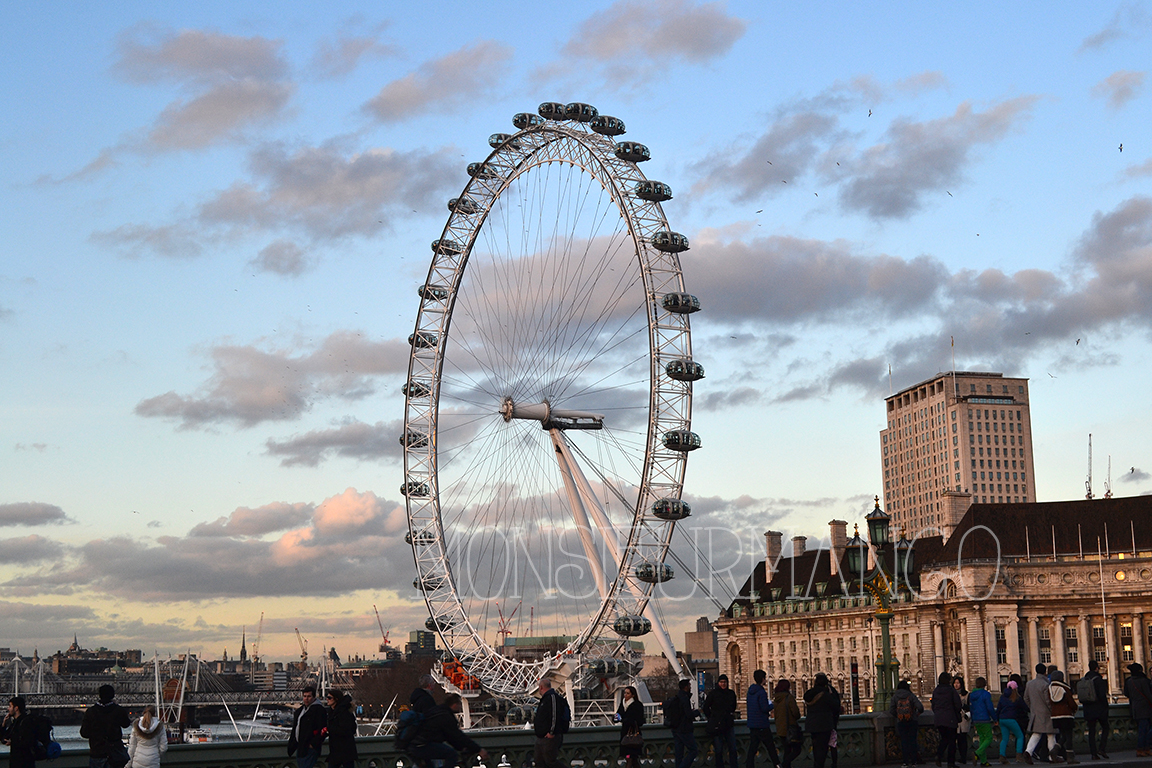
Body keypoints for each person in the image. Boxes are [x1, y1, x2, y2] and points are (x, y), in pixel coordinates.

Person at [408, 692, 489, 768]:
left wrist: (460, 747)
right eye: (459, 704)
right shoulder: (446, 716)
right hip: (421, 745)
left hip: (414, 744)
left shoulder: (438, 711)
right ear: (454, 705)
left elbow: (450, 737)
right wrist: (478, 749)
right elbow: (458, 736)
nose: (460, 706)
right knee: (452, 755)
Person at [80, 684, 131, 768]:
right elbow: (126, 724)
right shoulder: (118, 710)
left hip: (97, 752)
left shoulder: (91, 712)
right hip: (115, 753)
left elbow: (84, 733)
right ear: (113, 695)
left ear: (99, 695)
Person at [803, 673, 841, 768]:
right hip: (824, 725)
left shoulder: (809, 694)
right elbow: (836, 706)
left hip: (811, 724)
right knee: (823, 749)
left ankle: (816, 764)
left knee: (816, 747)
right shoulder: (825, 695)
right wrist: (831, 695)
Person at [743, 670, 779, 768]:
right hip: (762, 724)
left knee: (752, 748)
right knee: (771, 747)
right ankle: (777, 765)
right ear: (763, 679)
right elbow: (764, 708)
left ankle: (749, 766)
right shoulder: (761, 691)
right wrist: (773, 705)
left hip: (752, 724)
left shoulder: (750, 691)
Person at [1022, 664, 1056, 765]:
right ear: (1045, 671)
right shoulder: (1046, 684)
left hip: (1035, 713)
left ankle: (1028, 751)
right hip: (1047, 713)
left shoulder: (1029, 684)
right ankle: (1052, 756)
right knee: (1051, 735)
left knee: (1036, 734)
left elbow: (1026, 698)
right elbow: (1048, 701)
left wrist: (1032, 708)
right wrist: (1052, 710)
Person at [703, 674, 738, 768]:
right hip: (717, 725)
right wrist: (712, 717)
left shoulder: (731, 693)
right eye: (721, 682)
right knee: (718, 750)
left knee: (733, 749)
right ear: (718, 683)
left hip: (728, 724)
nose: (723, 684)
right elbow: (706, 707)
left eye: (725, 682)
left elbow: (733, 707)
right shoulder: (713, 694)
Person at [287, 686, 327, 768]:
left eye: (309, 696)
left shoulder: (319, 710)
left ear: (314, 697)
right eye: (304, 696)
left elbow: (323, 729)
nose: (306, 699)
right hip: (300, 746)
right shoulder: (300, 711)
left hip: (310, 747)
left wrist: (313, 744)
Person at [889, 680, 924, 768]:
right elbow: (920, 707)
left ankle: (905, 762)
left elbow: (891, 710)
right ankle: (914, 762)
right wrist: (915, 714)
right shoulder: (911, 695)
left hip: (901, 721)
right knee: (913, 741)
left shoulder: (895, 696)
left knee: (904, 741)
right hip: (912, 721)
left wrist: (898, 715)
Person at [931, 672, 963, 768]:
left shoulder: (936, 691)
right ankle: (950, 763)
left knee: (944, 738)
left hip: (939, 719)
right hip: (950, 719)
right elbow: (958, 705)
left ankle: (939, 755)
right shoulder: (951, 690)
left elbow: (933, 705)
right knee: (952, 741)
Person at [534, 679, 567, 768]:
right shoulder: (545, 699)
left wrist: (552, 732)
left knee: (550, 761)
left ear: (541, 687)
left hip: (549, 737)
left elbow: (554, 715)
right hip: (541, 736)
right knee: (539, 762)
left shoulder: (552, 698)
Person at [1080, 660, 1109, 760]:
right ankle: (1102, 748)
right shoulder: (1098, 679)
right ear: (1097, 668)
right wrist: (1106, 706)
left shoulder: (1084, 679)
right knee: (1105, 728)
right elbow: (1102, 696)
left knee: (1091, 732)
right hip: (1099, 708)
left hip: (1088, 709)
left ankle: (1093, 754)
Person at [1047, 670, 1077, 763]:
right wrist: (1074, 709)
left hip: (1055, 715)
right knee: (1068, 736)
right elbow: (1071, 702)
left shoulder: (1050, 688)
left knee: (1063, 735)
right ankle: (1070, 757)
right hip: (1066, 714)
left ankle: (1055, 750)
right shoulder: (1065, 688)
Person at [1123, 662, 1152, 757]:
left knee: (1142, 729)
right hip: (1145, 707)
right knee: (1144, 729)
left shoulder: (1128, 681)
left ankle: (1145, 748)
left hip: (1134, 707)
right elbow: (1148, 695)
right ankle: (1142, 748)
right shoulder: (1143, 681)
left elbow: (1126, 693)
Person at [1, 696, 39, 768]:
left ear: (16, 708)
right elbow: (4, 737)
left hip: (25, 762)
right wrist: (4, 724)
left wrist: (13, 742)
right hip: (16, 761)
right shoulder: (15, 723)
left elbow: (28, 741)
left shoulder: (26, 722)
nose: (8, 708)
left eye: (10, 706)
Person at [669, 678, 700, 768]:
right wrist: (697, 712)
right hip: (684, 729)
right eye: (689, 685)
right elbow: (689, 715)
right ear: (686, 687)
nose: (690, 687)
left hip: (675, 728)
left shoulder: (677, 697)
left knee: (679, 753)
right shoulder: (685, 698)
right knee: (693, 750)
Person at [773, 679, 803, 768]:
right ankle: (783, 765)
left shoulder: (776, 699)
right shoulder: (788, 697)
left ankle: (785, 766)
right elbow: (796, 713)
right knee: (797, 750)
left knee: (787, 750)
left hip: (780, 729)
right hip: (789, 728)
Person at [995, 680, 1026, 764]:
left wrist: (996, 719)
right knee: (1020, 736)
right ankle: (1019, 755)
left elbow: (998, 709)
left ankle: (1002, 756)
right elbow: (1024, 707)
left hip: (1002, 719)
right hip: (1011, 719)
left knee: (1004, 738)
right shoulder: (1016, 697)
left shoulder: (1002, 697)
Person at [324, 689, 357, 768]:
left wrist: (329, 729)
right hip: (338, 750)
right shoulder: (333, 711)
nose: (327, 699)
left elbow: (346, 730)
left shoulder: (343, 713)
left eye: (329, 698)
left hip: (343, 750)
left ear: (336, 699)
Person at [969, 677, 996, 767]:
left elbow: (971, 709)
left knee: (982, 739)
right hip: (984, 719)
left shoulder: (972, 695)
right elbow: (990, 708)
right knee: (989, 738)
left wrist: (973, 720)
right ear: (984, 684)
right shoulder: (986, 694)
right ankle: (977, 753)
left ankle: (983, 761)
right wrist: (995, 719)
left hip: (976, 719)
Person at [616, 685, 645, 768]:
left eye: (628, 693)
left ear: (633, 695)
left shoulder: (637, 705)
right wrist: (616, 718)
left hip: (633, 733)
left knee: (629, 758)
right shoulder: (623, 704)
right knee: (632, 759)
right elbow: (618, 714)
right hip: (625, 733)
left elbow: (640, 720)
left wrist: (626, 719)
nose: (625, 695)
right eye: (625, 693)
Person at [952, 675, 971, 767]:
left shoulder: (967, 694)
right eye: (955, 683)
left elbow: (970, 706)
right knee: (954, 739)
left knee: (962, 739)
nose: (956, 685)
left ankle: (963, 757)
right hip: (954, 719)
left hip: (963, 719)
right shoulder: (951, 694)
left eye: (958, 683)